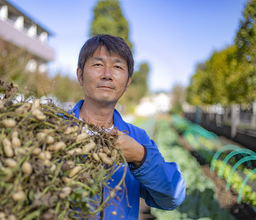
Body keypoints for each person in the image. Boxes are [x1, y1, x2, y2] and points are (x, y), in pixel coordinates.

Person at [72, 34, 185, 219]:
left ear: (127, 82)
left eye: (117, 67)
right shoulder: (53, 131)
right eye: (98, 64)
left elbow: (172, 197)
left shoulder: (137, 139)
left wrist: (141, 157)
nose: (107, 75)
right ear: (80, 75)